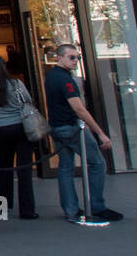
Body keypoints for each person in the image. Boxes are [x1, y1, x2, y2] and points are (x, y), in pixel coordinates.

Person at [45, 44, 122, 223]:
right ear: (60, 57)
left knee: (65, 168)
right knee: (97, 163)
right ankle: (97, 206)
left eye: (77, 57)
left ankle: (71, 209)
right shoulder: (65, 80)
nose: (75, 61)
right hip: (71, 127)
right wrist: (100, 133)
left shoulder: (52, 77)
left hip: (57, 127)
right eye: (71, 57)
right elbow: (79, 109)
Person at [0, 54, 38, 220]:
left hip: (2, 128)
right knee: (24, 169)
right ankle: (27, 209)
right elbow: (27, 100)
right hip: (21, 127)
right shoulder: (16, 84)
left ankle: (2, 206)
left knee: (4, 168)